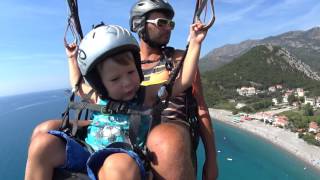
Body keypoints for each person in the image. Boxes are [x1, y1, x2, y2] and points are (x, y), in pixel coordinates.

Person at [25, 23, 207, 180]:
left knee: (116, 166)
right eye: (115, 79)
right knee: (42, 144)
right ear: (100, 84)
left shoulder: (146, 94)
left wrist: (195, 43)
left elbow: (183, 81)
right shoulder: (98, 96)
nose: (126, 83)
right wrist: (72, 58)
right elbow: (77, 84)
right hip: (88, 149)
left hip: (124, 154)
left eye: (130, 72)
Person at [129, 0, 218, 179]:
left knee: (165, 139)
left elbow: (201, 108)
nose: (168, 28)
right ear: (139, 24)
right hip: (135, 135)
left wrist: (211, 159)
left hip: (173, 137)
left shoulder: (178, 59)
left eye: (171, 24)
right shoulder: (128, 64)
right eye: (162, 23)